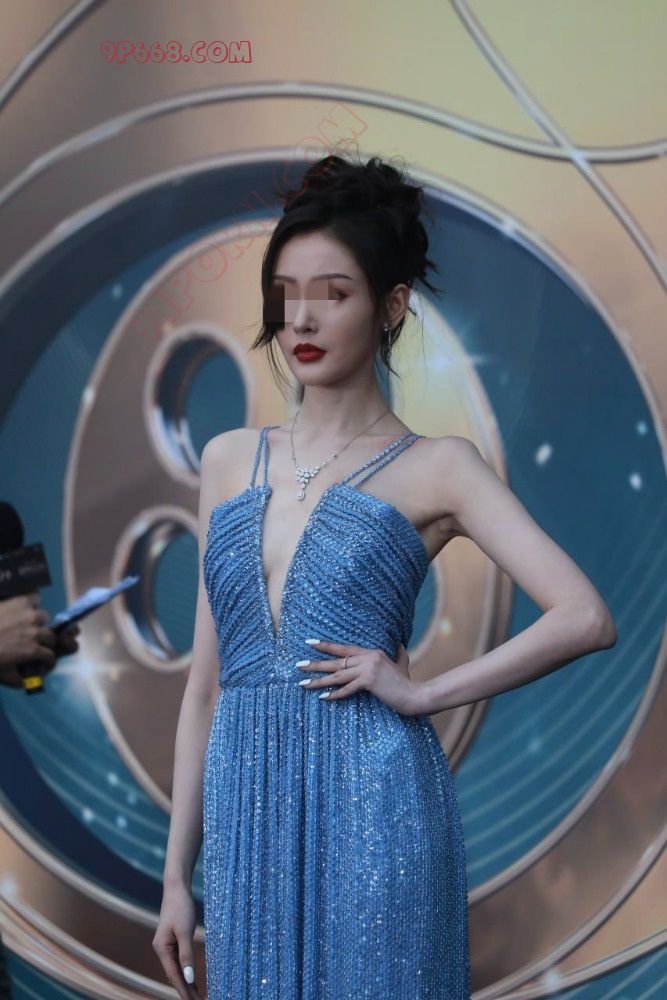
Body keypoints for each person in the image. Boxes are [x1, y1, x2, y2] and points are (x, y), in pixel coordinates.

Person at [152, 153, 616, 1000]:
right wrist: (176, 878)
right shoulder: (226, 460)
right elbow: (204, 689)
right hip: (247, 822)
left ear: (391, 305)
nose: (302, 318)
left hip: (376, 808)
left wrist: (424, 693)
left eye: (333, 293)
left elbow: (583, 616)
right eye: (285, 294)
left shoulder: (438, 467)